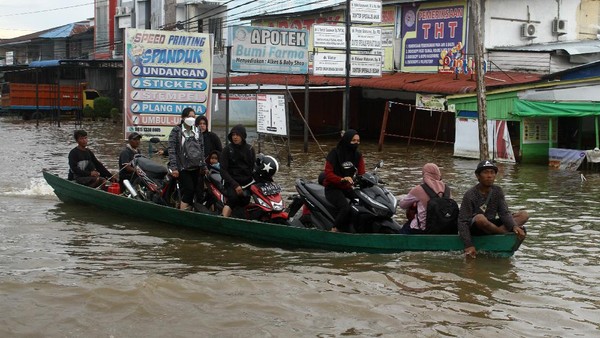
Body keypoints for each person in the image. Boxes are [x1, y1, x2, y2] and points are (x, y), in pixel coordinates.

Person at [458, 160, 528, 259]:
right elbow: (462, 221)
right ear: (478, 176)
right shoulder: (470, 194)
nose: (489, 176)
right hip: (477, 227)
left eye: (492, 172)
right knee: (480, 218)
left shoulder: (497, 191)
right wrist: (469, 245)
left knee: (523, 215)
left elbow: (504, 213)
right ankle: (502, 233)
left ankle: (500, 231)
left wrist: (514, 226)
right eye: (485, 172)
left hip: (491, 224)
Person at [322, 129, 365, 233]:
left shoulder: (358, 155)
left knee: (363, 203)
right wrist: (342, 179)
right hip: (332, 188)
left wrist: (366, 180)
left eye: (358, 141)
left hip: (347, 187)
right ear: (347, 140)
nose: (356, 143)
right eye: (353, 140)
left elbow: (362, 173)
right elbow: (328, 174)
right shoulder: (334, 153)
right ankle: (334, 229)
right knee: (345, 207)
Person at [167, 107, 206, 210]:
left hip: (196, 167)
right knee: (189, 190)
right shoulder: (176, 131)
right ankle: (182, 212)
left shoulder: (197, 130)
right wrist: (174, 167)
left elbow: (201, 149)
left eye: (193, 116)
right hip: (183, 168)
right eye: (189, 116)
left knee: (195, 191)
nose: (192, 119)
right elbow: (171, 150)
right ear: (183, 118)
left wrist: (203, 165)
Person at [399, 163, 453, 234]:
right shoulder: (447, 190)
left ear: (424, 174)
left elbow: (402, 205)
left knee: (404, 230)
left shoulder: (419, 189)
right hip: (443, 228)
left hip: (422, 229)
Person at [220, 124, 255, 217]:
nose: (235, 137)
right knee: (233, 199)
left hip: (246, 183)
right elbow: (223, 170)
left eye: (237, 135)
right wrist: (235, 185)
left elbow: (252, 168)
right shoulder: (227, 149)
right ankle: (223, 220)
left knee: (247, 200)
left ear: (242, 136)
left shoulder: (250, 149)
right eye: (233, 135)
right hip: (232, 183)